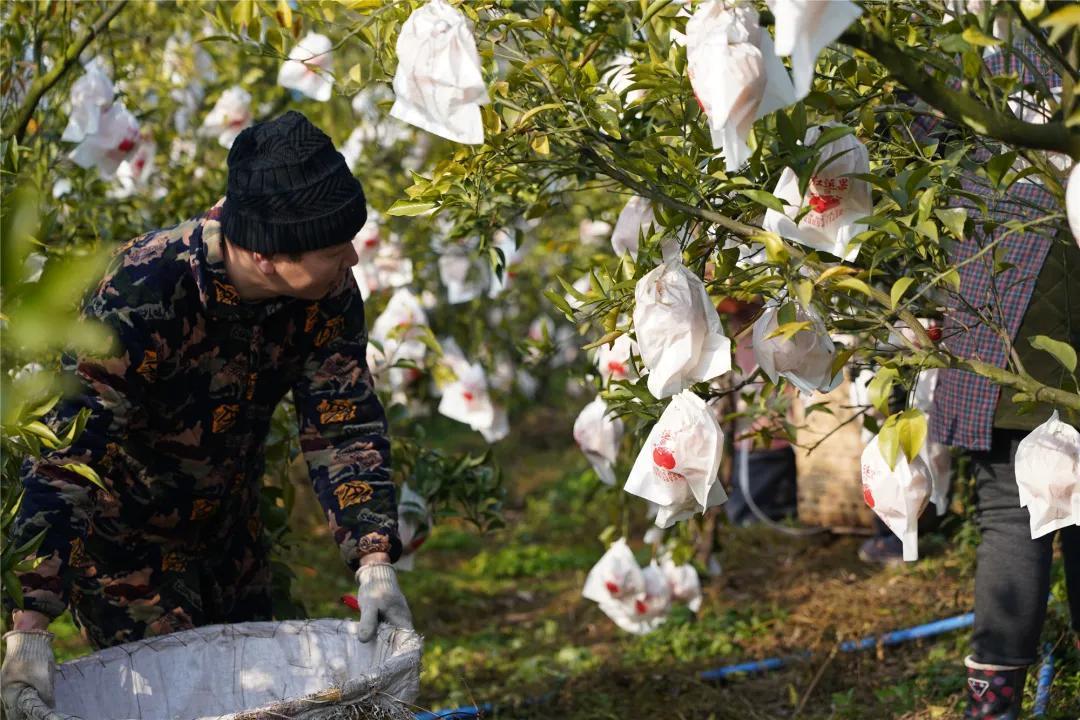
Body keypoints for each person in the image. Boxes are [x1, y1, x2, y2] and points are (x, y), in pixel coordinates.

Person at [1, 111, 413, 711]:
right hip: (125, 550)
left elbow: (342, 418)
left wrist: (374, 557)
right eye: (333, 248)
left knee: (260, 695)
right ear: (269, 256)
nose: (352, 257)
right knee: (182, 704)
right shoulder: (144, 289)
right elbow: (67, 454)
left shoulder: (324, 292)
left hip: (229, 532)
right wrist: (29, 626)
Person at [909, 48, 1080, 718]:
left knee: (1013, 509)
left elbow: (919, 134)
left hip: (1006, 288)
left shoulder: (980, 40)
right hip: (1037, 275)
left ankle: (994, 704)